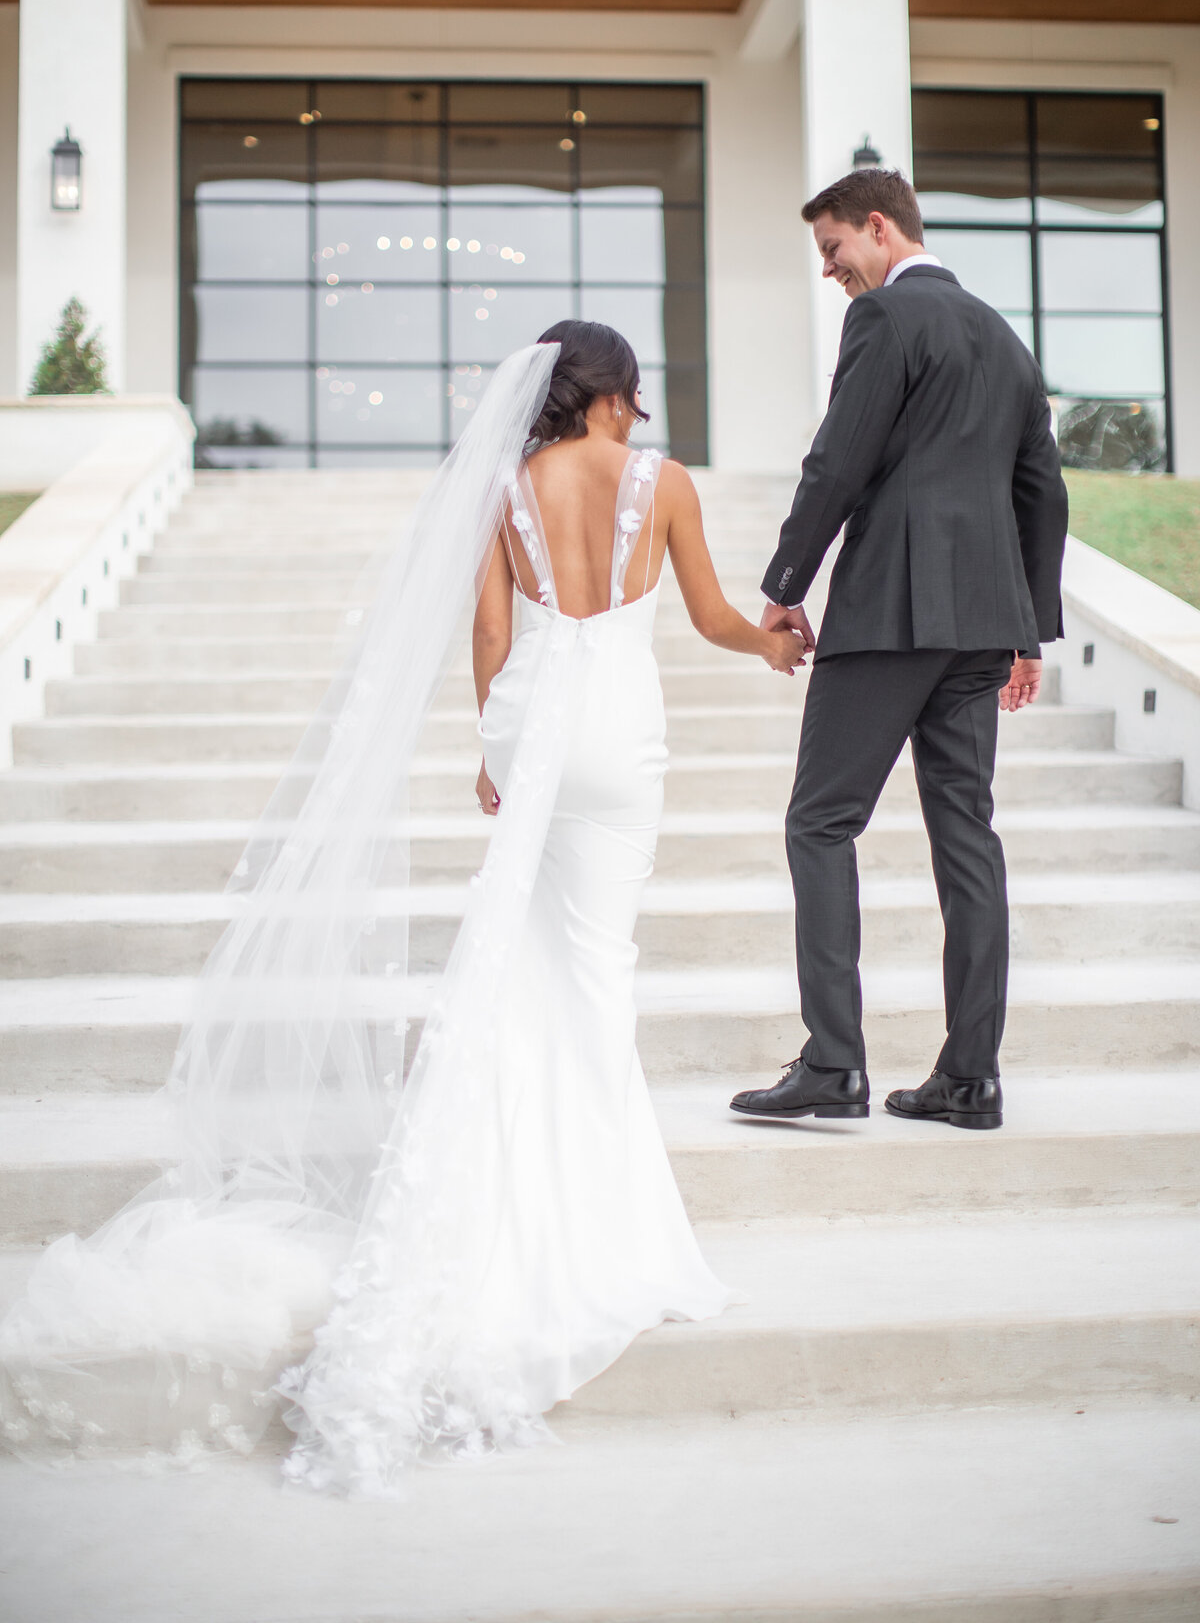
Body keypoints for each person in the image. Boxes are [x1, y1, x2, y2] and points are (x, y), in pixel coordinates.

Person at [0, 324, 805, 1497]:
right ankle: (603, 1210)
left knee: (512, 963)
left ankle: (503, 1185)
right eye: (633, 396)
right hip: (621, 740)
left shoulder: (505, 489)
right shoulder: (663, 483)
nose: (640, 413)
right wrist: (775, 645)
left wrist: (494, 744)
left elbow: (489, 631)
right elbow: (712, 616)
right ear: (614, 397)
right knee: (593, 966)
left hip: (533, 728)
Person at [730, 168, 1069, 1134]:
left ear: (879, 228)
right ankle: (970, 1079)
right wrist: (1028, 629)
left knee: (819, 824)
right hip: (979, 628)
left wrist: (785, 585)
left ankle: (833, 1064)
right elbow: (1041, 489)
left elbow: (839, 457)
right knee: (968, 839)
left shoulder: (885, 321)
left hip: (889, 614)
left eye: (834, 249)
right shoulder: (1002, 336)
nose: (832, 272)